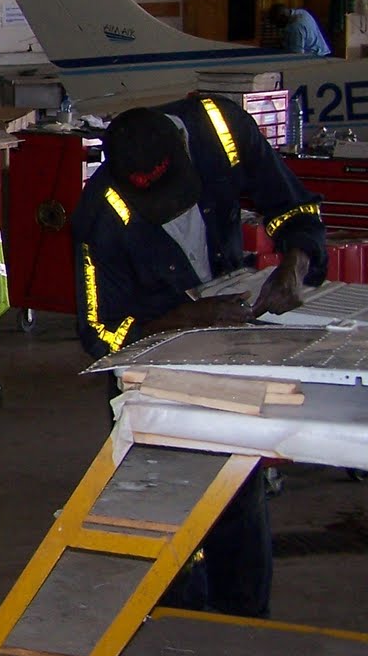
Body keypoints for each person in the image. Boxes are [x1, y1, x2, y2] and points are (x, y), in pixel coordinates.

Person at [71, 96, 327, 617]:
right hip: (157, 367)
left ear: (186, 148)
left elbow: (292, 204)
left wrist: (295, 264)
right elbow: (100, 331)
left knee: (238, 494)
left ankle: (245, 625)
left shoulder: (221, 130)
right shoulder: (101, 214)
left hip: (232, 342)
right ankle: (172, 626)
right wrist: (184, 318)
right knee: (162, 510)